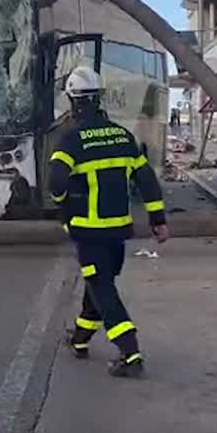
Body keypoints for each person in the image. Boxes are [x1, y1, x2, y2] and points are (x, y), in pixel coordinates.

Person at [49, 66, 168, 377]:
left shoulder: (70, 138)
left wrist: (64, 212)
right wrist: (158, 219)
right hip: (118, 231)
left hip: (88, 231)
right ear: (98, 97)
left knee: (102, 287)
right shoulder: (121, 135)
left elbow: (56, 183)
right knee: (99, 282)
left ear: (73, 101)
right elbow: (147, 180)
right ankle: (80, 337)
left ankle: (130, 353)